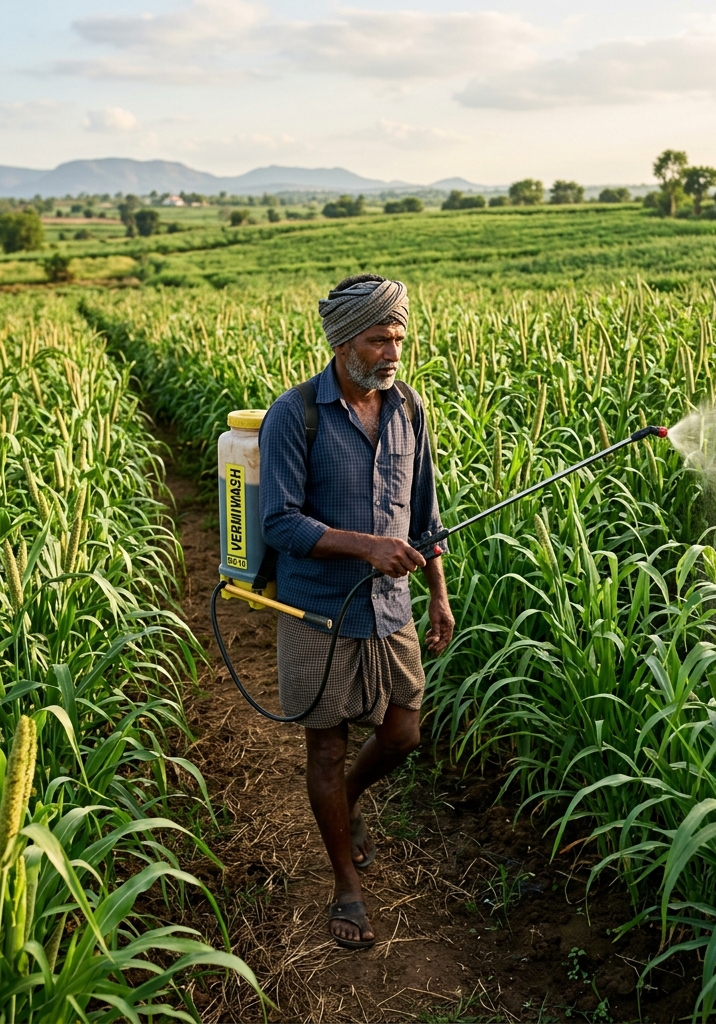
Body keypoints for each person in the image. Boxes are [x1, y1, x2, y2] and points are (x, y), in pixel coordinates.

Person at [258, 274, 454, 950]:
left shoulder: (409, 408)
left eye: (399, 337)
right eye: (380, 338)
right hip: (317, 610)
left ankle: (348, 799)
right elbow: (281, 522)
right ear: (344, 342)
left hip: (391, 606)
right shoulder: (296, 414)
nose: (393, 350)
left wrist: (438, 592)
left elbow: (425, 515)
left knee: (403, 734)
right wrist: (367, 546)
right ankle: (346, 885)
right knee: (325, 743)